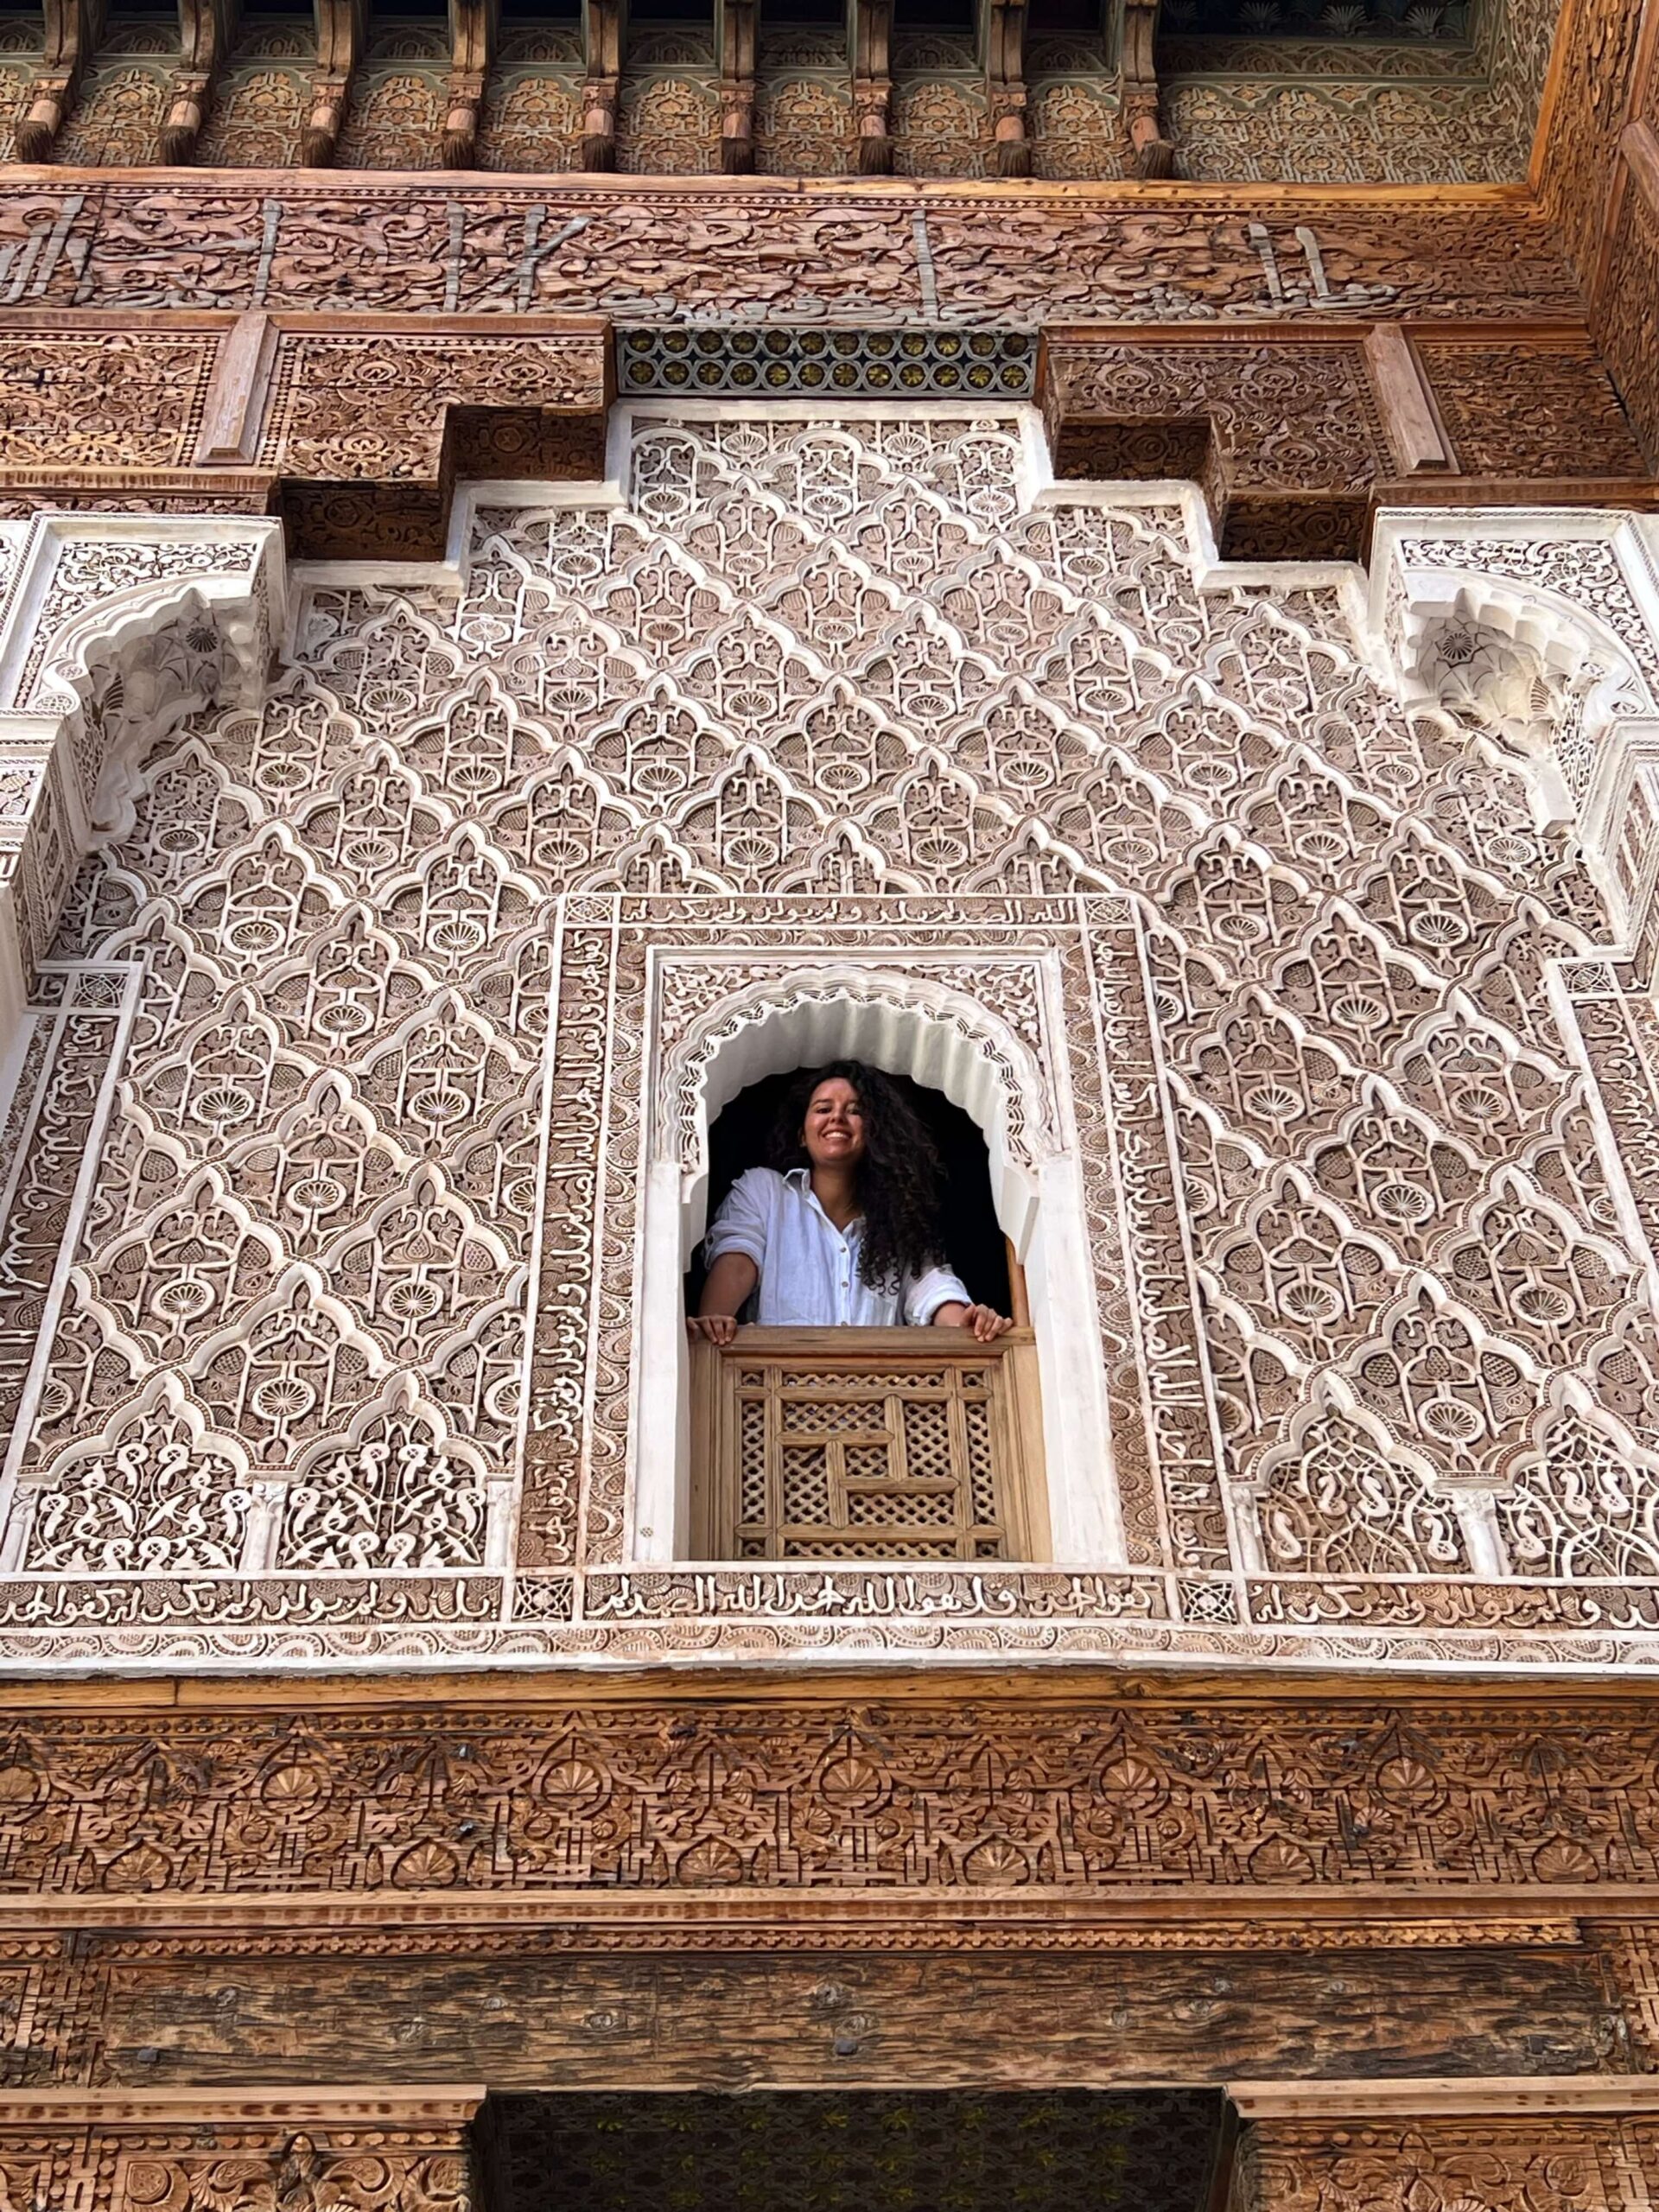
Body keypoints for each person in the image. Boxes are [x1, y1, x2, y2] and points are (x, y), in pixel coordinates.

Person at [688, 1060, 1014, 1344]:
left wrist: (971, 1323)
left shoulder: (896, 1219)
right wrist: (713, 1323)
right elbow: (738, 1259)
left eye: (855, 1110)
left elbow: (931, 1290)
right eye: (823, 1109)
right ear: (802, 1133)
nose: (838, 1118)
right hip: (777, 1397)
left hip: (878, 1405)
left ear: (873, 1133)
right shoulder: (765, 1192)